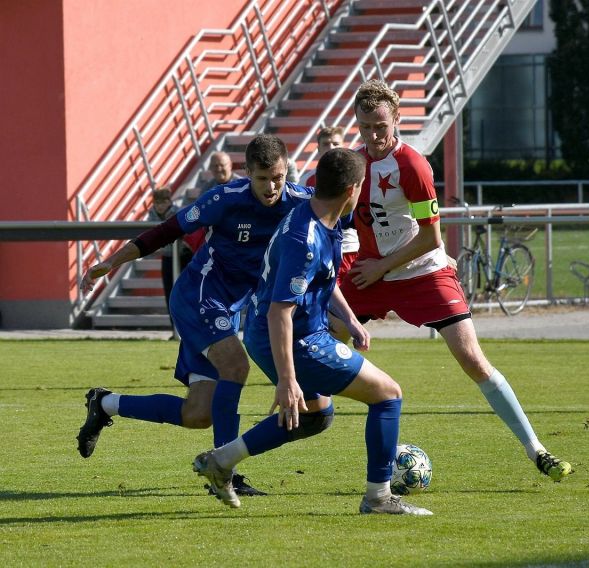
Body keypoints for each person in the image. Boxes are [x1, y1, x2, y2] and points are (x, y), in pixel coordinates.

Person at [335, 79, 572, 482]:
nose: (373, 136)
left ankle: (538, 450)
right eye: (364, 127)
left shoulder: (413, 165)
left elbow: (431, 237)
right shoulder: (354, 164)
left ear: (396, 119)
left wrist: (381, 266)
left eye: (380, 126)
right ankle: (305, 408)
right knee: (316, 333)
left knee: (473, 360)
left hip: (421, 269)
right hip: (372, 270)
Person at [193, 147, 432, 515]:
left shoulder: (322, 219)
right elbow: (279, 312)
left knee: (316, 415)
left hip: (286, 331)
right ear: (353, 188)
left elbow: (321, 280)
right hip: (294, 337)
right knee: (387, 395)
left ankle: (221, 461)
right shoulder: (304, 238)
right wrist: (287, 381)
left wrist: (349, 318)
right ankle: (378, 498)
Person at [77, 134, 313, 497]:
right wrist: (111, 262)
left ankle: (105, 403)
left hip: (229, 309)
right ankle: (226, 473)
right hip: (197, 296)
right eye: (262, 178)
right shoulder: (225, 199)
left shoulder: (300, 202)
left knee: (198, 414)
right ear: (247, 173)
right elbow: (167, 230)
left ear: (287, 171)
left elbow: (344, 213)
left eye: (278, 177)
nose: (271, 187)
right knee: (237, 366)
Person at [298, 126, 358, 283]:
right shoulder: (306, 180)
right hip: (320, 248)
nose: (331, 148)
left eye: (335, 143)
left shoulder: (356, 177)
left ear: (344, 146)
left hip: (349, 248)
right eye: (326, 144)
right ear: (318, 149)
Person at [146, 187, 193, 332]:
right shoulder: (151, 215)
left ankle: (190, 326)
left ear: (170, 202)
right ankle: (175, 328)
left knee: (185, 292)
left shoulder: (178, 213)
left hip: (183, 256)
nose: (159, 206)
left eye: (163, 202)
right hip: (167, 256)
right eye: (157, 202)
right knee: (170, 292)